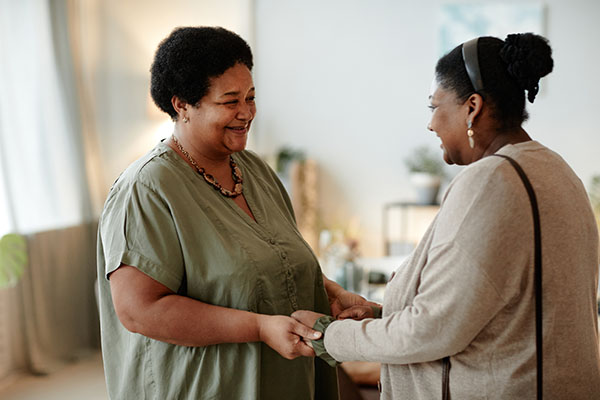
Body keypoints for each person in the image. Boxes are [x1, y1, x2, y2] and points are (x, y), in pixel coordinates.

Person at [293, 33, 600, 399]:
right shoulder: (556, 170)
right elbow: (491, 308)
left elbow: (432, 329)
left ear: (472, 107)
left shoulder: (490, 182)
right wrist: (379, 314)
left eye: (434, 107)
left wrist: (329, 335)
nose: (431, 124)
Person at [96, 26, 373, 399]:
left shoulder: (255, 171)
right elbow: (139, 311)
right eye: (230, 101)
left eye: (251, 97)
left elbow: (275, 264)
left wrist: (331, 294)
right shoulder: (147, 189)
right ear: (182, 105)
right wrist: (257, 328)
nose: (246, 113)